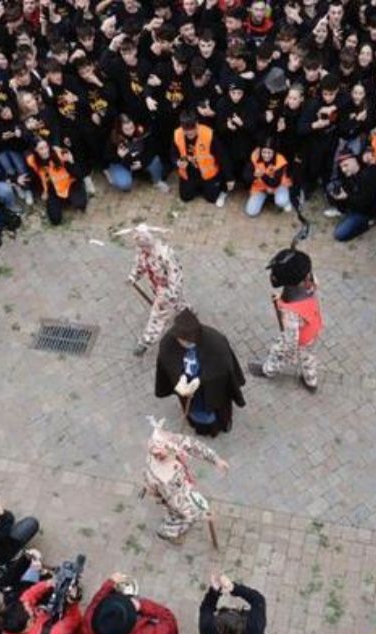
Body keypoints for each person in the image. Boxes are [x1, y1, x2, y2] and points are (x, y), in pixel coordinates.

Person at [155, 309, 246, 436]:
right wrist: (180, 379)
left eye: (187, 341)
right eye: (180, 339)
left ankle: (219, 425)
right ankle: (200, 425)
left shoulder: (216, 342)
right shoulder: (169, 342)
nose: (182, 343)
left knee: (217, 410)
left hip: (213, 390)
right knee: (195, 410)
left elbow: (223, 368)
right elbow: (169, 362)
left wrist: (200, 380)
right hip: (190, 393)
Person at [142, 416, 228, 544]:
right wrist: (201, 515)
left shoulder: (169, 441)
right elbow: (179, 505)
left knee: (181, 508)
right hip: (167, 490)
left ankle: (173, 523)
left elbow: (192, 445)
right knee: (179, 515)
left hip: (177, 484)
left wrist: (215, 459)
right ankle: (168, 532)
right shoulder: (165, 477)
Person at [248, 248, 323, 393]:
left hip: (298, 338)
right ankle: (311, 381)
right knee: (308, 358)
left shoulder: (289, 313)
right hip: (312, 330)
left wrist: (289, 355)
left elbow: (289, 341)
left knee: (277, 353)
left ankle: (268, 370)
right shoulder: (310, 283)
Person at [124, 224, 186, 357]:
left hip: (167, 291)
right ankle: (184, 311)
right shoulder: (142, 251)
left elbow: (176, 275)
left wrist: (170, 295)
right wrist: (133, 276)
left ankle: (145, 342)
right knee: (177, 305)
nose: (141, 250)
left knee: (157, 316)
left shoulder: (165, 254)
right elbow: (140, 264)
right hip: (156, 286)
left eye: (143, 247)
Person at [199, 573, 266, 634]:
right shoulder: (255, 630)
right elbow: (258, 600)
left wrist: (214, 591)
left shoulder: (207, 629)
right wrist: (233, 588)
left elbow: (206, 608)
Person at [172, 111, 227, 206]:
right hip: (189, 172)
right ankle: (198, 187)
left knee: (212, 198)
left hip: (208, 173)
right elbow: (173, 153)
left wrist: (229, 177)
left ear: (197, 124)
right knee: (185, 197)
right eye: (186, 131)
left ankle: (216, 187)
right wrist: (177, 162)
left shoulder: (209, 134)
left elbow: (222, 156)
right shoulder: (177, 134)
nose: (189, 133)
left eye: (191, 130)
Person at [244, 138, 293, 216]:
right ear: (260, 151)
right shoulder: (255, 156)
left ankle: (285, 201)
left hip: (278, 186)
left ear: (274, 152)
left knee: (281, 201)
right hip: (260, 188)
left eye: (269, 152)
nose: (266, 155)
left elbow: (275, 183)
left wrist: (262, 175)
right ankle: (266, 197)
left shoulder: (280, 160)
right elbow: (246, 176)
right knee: (251, 212)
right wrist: (254, 175)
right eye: (264, 152)